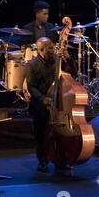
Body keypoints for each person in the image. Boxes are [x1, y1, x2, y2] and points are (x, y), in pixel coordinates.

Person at [26, 37, 77, 173]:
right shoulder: (32, 64)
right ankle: (43, 160)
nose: (53, 49)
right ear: (41, 50)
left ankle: (60, 159)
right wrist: (43, 99)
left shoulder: (58, 61)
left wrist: (68, 58)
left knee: (60, 133)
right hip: (41, 104)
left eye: (52, 46)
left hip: (59, 103)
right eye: (49, 48)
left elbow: (73, 74)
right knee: (41, 133)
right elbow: (31, 86)